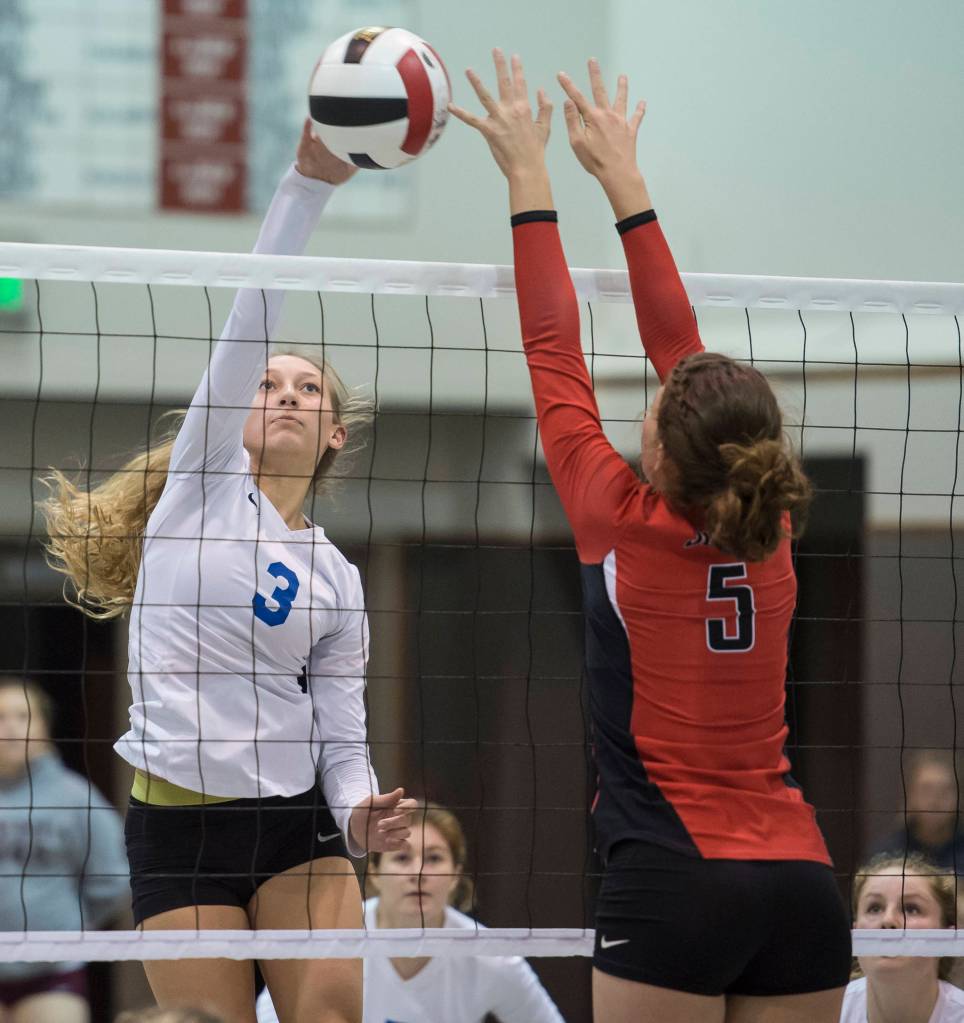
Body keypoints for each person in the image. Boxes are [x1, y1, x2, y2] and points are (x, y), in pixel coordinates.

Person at [449, 52, 852, 1022]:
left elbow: (556, 347)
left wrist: (529, 172)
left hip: (674, 876)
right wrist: (621, 180)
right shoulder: (772, 524)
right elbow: (685, 360)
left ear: (665, 454)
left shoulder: (616, 517)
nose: (657, 388)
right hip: (802, 881)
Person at [40, 122, 415, 1023]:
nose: (283, 391)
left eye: (308, 389)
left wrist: (359, 810)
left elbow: (342, 729)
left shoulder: (335, 576)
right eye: (268, 384)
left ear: (334, 435)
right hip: (178, 828)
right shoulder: (200, 491)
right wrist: (306, 186)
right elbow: (249, 321)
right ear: (236, 411)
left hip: (298, 829)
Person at [256, 803, 566, 1023]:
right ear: (374, 872)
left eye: (434, 858)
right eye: (402, 858)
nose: (418, 873)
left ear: (456, 874)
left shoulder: (491, 956)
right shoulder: (335, 936)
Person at [0, 676, 129, 1023]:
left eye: (22, 716)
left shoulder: (74, 797)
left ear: (43, 727)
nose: (11, 727)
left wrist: (70, 926)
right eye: (1, 717)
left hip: (51, 972)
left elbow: (112, 879)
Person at [843, 852, 964, 1022]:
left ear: (947, 936)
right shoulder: (826, 1012)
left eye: (911, 908)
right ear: (855, 931)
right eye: (875, 908)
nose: (888, 920)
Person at [873, 751, 964, 871]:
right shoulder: (886, 855)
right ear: (909, 795)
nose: (935, 801)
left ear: (959, 797)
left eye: (945, 791)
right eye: (926, 790)